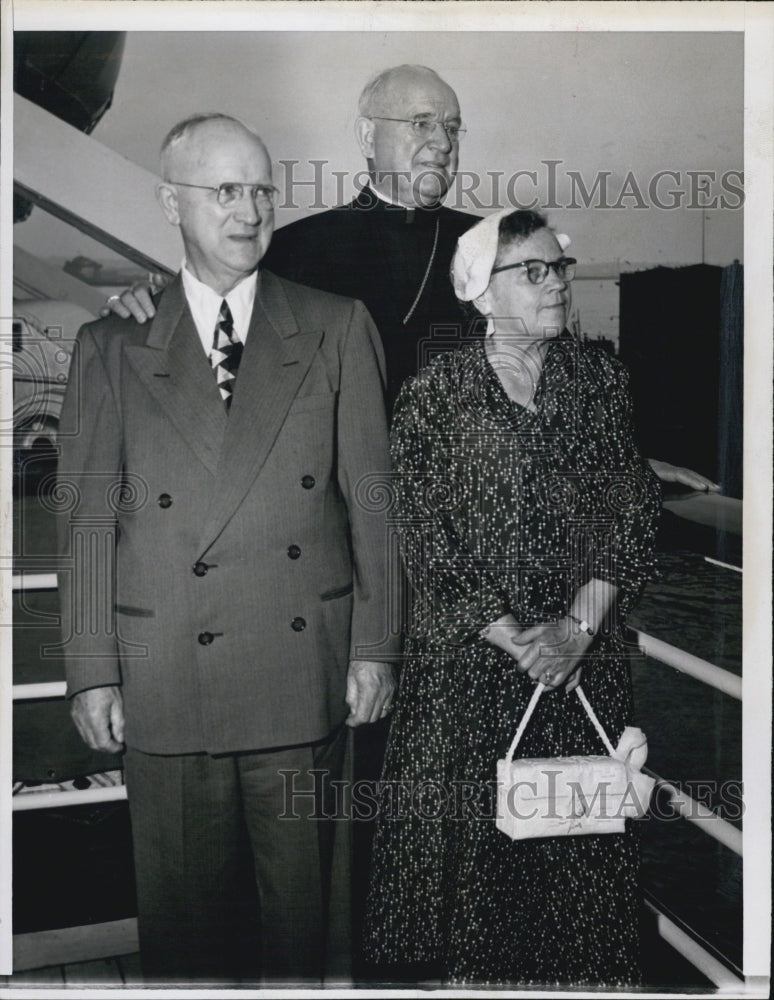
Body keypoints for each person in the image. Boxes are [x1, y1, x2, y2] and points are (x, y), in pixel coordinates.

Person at [56, 112, 398, 984]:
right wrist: (93, 667)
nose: (249, 211)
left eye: (260, 189)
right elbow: (86, 522)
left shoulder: (334, 326)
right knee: (185, 944)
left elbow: (373, 503)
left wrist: (373, 646)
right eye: (224, 191)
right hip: (164, 680)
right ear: (172, 202)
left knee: (305, 934)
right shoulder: (110, 344)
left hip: (301, 681)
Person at [102, 65, 719, 495]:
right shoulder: (292, 247)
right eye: (422, 123)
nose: (443, 143)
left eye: (452, 128)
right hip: (341, 516)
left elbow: (556, 365)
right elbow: (215, 319)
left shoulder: (494, 242)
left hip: (474, 516)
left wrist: (623, 458)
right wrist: (151, 300)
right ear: (369, 135)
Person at [363, 209, 662, 986]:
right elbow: (422, 535)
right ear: (482, 294)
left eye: (558, 267)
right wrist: (517, 637)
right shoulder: (435, 395)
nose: (556, 282)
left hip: (579, 670)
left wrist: (575, 629)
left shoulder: (601, 380)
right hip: (470, 679)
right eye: (532, 270)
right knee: (477, 893)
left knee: (580, 870)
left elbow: (632, 510)